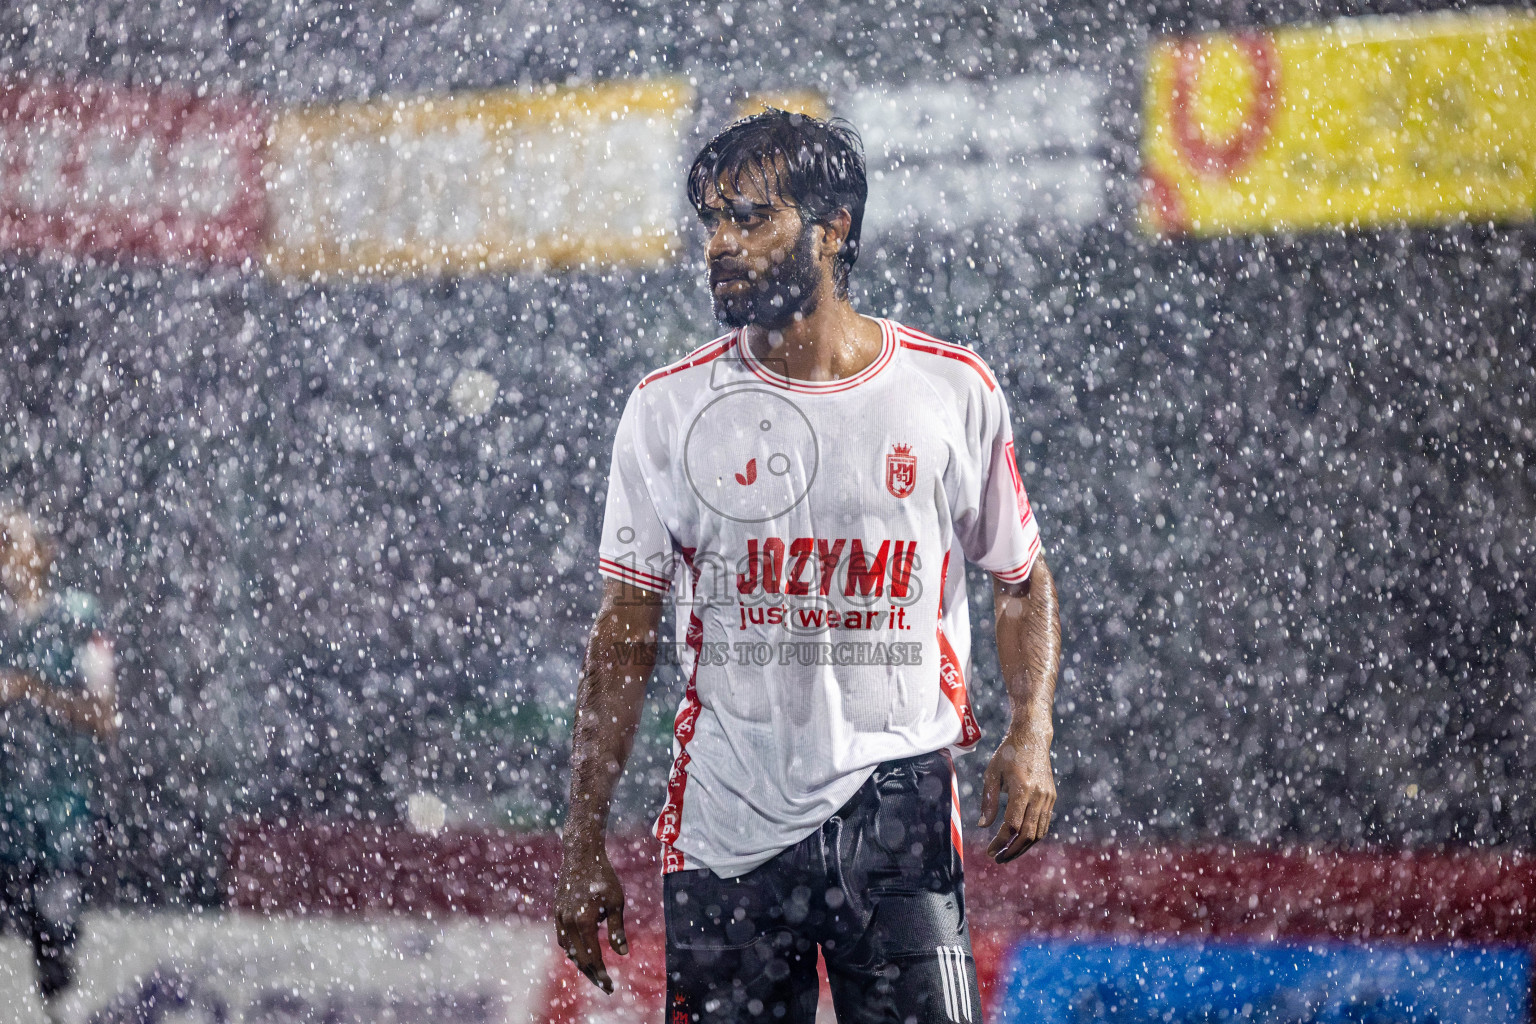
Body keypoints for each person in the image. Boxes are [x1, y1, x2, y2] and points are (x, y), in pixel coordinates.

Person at [555, 109, 1060, 1023]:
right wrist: (583, 841)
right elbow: (622, 641)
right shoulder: (666, 412)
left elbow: (1020, 578)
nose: (721, 244)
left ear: (834, 230)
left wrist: (1031, 734)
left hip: (898, 805)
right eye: (713, 221)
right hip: (724, 825)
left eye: (751, 218)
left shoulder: (949, 391)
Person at [0, 509, 116, 1023]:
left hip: (55, 826)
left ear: (41, 552)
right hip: (6, 822)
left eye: (9, 538)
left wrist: (32, 690)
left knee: (57, 979)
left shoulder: (77, 618)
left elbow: (103, 714)